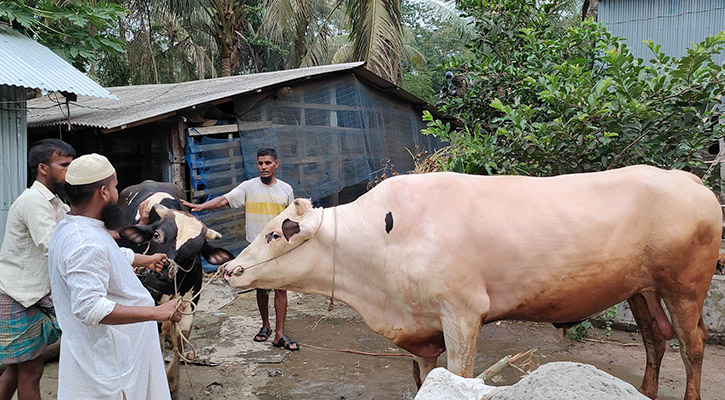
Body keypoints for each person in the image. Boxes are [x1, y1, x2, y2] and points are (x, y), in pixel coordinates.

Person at [47, 153, 182, 400]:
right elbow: (90, 308)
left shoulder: (73, 226)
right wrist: (158, 312)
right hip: (112, 364)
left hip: (107, 355)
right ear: (103, 192)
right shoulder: (84, 243)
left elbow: (105, 254)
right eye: (115, 185)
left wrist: (145, 259)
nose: (117, 192)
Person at [181, 148, 299, 351]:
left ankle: (279, 334)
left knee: (281, 288)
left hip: (279, 248)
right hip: (257, 248)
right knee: (262, 288)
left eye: (268, 163)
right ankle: (265, 326)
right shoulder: (248, 187)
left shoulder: (286, 190)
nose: (264, 167)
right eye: (260, 163)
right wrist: (201, 207)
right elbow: (224, 199)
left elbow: (291, 219)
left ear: (276, 165)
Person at [0, 139, 74, 400]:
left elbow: (74, 231)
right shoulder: (33, 201)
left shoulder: (55, 203)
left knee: (14, 370)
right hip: (21, 297)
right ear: (43, 168)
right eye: (64, 165)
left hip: (28, 294)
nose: (70, 170)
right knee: (31, 372)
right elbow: (53, 244)